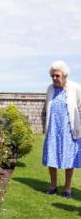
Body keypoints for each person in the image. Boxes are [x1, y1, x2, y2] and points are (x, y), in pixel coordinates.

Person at [42, 60, 81, 198]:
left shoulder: (75, 88)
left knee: (69, 159)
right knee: (51, 158)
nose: (54, 78)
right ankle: (53, 185)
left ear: (64, 75)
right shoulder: (50, 89)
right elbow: (45, 109)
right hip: (53, 130)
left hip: (69, 131)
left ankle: (67, 188)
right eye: (52, 76)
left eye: (57, 76)